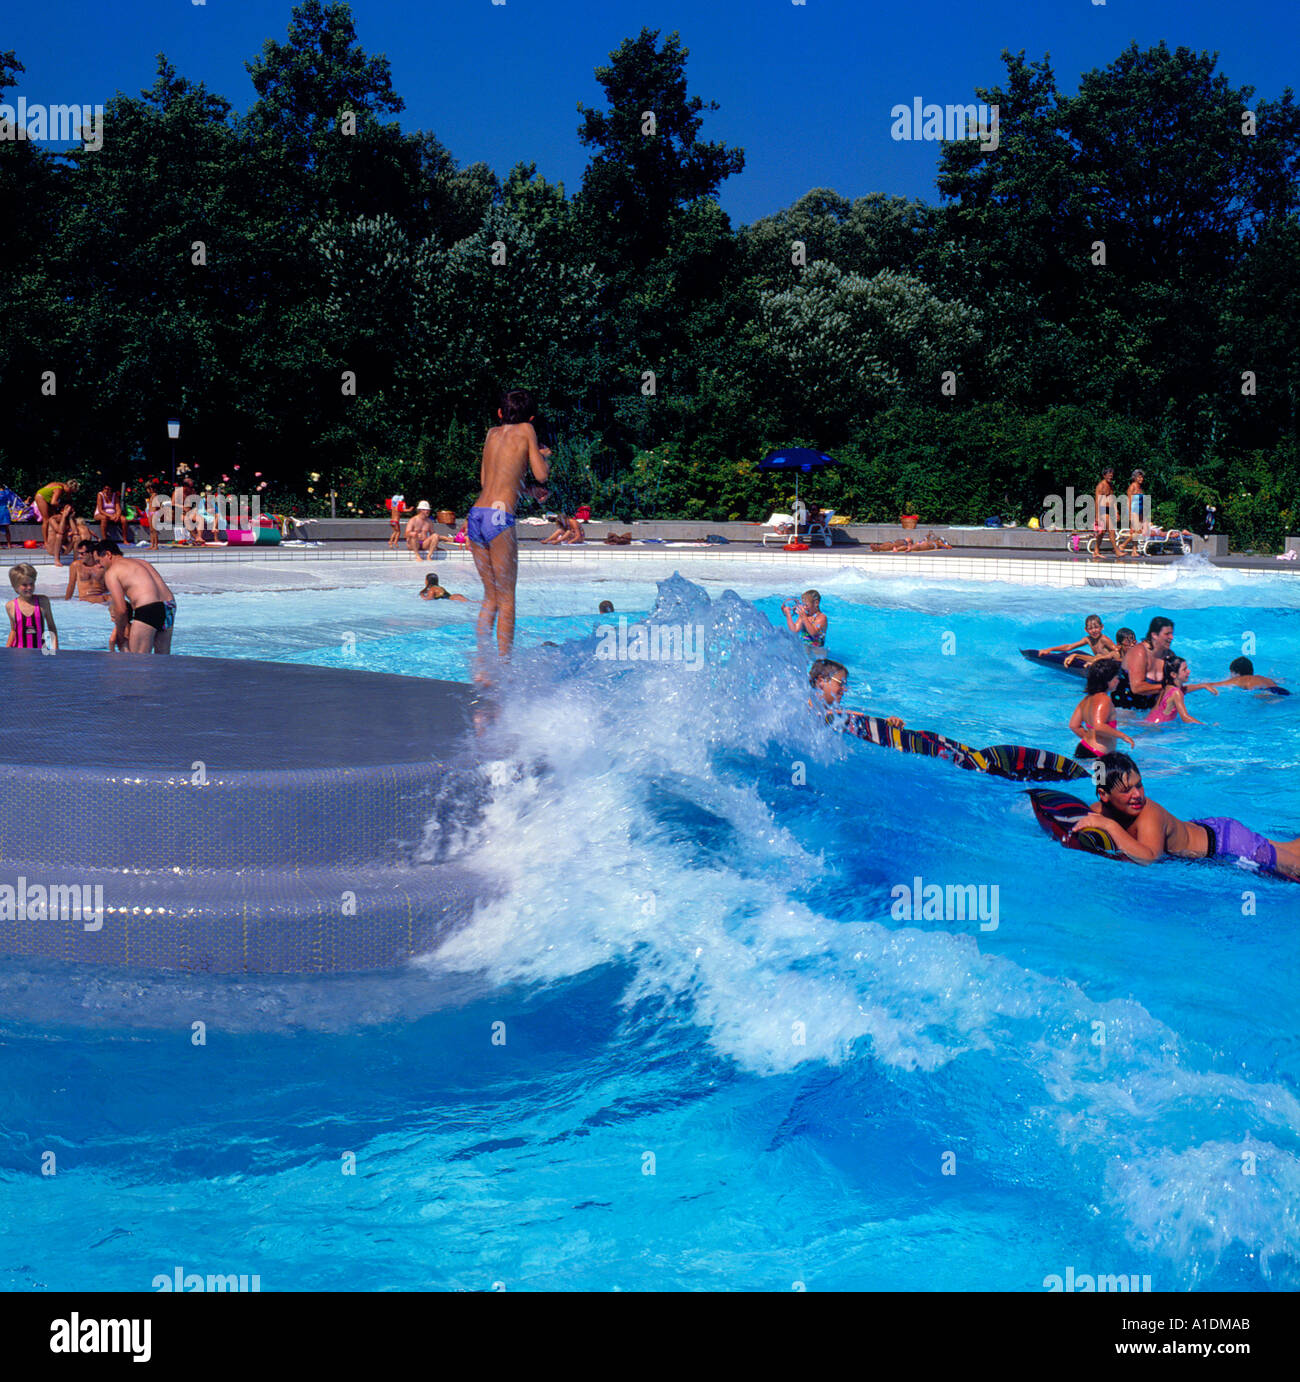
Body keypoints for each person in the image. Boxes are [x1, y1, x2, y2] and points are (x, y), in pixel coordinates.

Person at [1073, 752, 1300, 880]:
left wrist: (1110, 827)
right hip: (1213, 830)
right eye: (1126, 791)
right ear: (1104, 795)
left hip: (1228, 846)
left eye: (1139, 785)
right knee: (1289, 848)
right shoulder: (1098, 810)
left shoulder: (1148, 813)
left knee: (1294, 870)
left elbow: (1150, 857)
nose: (1137, 795)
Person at [468, 387, 551, 662]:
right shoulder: (527, 431)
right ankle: (503, 667)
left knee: (489, 597)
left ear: (500, 413)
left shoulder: (491, 434)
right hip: (499, 517)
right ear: (531, 418)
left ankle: (482, 665)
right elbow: (541, 474)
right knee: (507, 600)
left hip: (476, 515)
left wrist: (525, 491)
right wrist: (545, 456)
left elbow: (487, 482)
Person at [94, 541, 177, 653]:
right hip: (169, 606)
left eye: (99, 561)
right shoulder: (141, 562)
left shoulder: (112, 572)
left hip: (148, 608)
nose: (98, 565)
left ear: (108, 554)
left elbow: (121, 609)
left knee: (137, 661)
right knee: (163, 660)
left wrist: (120, 635)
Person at [808, 659, 904, 730]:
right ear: (821, 681)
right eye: (841, 683)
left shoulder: (837, 712)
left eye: (845, 685)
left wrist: (885, 723)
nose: (845, 689)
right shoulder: (801, 706)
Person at [1067, 658, 1135, 759]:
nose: (1118, 680)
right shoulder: (1104, 699)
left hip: (1084, 749)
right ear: (1107, 680)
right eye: (1117, 677)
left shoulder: (1086, 699)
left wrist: (1089, 740)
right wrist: (1123, 736)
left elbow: (1073, 725)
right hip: (1097, 755)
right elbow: (1099, 727)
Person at [1117, 616, 1173, 708]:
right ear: (1155, 635)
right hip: (1125, 709)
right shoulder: (1139, 652)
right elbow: (1137, 688)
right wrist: (1167, 686)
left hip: (1149, 709)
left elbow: (1175, 685)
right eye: (1167, 634)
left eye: (1171, 634)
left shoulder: (1168, 655)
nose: (1171, 637)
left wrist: (1201, 686)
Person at [1143, 655, 1214, 726]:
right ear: (1173, 674)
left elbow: (1185, 689)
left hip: (1150, 721)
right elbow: (1185, 718)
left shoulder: (1167, 687)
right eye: (1184, 669)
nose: (1188, 671)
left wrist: (1203, 686)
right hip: (1157, 727)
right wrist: (1207, 726)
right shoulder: (1177, 693)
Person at [5, 563, 58, 651]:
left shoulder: (43, 601)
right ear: (15, 586)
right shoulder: (10, 606)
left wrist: (55, 650)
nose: (29, 587)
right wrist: (6, 650)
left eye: (31, 584)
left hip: (40, 651)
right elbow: (13, 630)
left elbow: (51, 627)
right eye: (24, 585)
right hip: (18, 652)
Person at [1038, 614, 1118, 667]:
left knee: (1096, 656)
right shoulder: (1088, 639)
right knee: (1072, 653)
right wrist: (1049, 649)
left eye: (1096, 627)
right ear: (1086, 630)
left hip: (1109, 664)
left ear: (1102, 627)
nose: (1094, 630)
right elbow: (1069, 647)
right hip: (1097, 660)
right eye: (1090, 628)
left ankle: (1076, 656)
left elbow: (1117, 652)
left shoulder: (1104, 639)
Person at [33, 480, 79, 558]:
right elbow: (53, 502)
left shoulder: (63, 487)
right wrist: (63, 507)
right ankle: (46, 542)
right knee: (46, 519)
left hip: (47, 498)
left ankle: (54, 540)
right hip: (41, 497)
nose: (70, 493)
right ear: (68, 487)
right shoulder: (59, 489)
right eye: (70, 491)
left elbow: (69, 500)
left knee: (53, 518)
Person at [1093, 467, 1127, 560]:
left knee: (1102, 532)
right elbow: (1097, 501)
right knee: (1111, 530)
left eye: (1111, 476)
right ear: (1104, 475)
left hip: (1109, 510)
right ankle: (1117, 551)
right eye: (1108, 475)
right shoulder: (1101, 486)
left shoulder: (1111, 485)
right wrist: (1097, 516)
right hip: (1102, 510)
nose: (1110, 477)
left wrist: (1117, 512)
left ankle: (1096, 551)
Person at [64, 539, 109, 603]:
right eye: (78, 553)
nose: (79, 556)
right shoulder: (76, 565)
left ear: (90, 553)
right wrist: (66, 602)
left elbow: (108, 587)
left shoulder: (102, 566)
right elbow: (71, 585)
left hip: (100, 599)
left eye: (82, 553)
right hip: (85, 600)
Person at [783, 589, 828, 653]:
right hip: (805, 647)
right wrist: (788, 615)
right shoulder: (804, 616)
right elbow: (794, 630)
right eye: (803, 605)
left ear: (816, 603)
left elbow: (813, 634)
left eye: (806, 605)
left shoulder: (822, 617)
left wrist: (804, 618)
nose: (804, 607)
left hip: (817, 650)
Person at [1209, 657, 1283, 693]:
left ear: (1234, 672)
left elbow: (1211, 685)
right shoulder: (1260, 677)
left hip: (1267, 694)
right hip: (1282, 691)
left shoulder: (1238, 680)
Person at [1126, 470, 1148, 542]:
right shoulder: (1132, 487)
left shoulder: (1140, 488)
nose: (1141, 479)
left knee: (1141, 530)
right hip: (1133, 511)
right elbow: (1128, 501)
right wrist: (1129, 515)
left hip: (1140, 512)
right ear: (1134, 478)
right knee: (1137, 530)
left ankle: (1134, 551)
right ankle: (1123, 545)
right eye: (1139, 477)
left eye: (1142, 477)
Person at [0, 484, 18, 548]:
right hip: (5, 510)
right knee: (7, 529)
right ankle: (9, 544)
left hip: (2, 510)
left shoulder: (6, 492)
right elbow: (14, 499)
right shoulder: (6, 492)